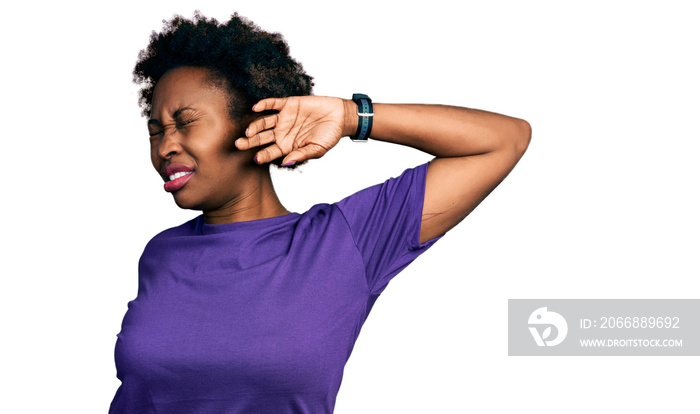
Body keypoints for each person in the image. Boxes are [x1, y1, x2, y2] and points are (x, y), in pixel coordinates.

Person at [110, 11, 531, 414]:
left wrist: (353, 117)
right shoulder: (160, 254)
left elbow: (503, 140)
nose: (164, 146)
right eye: (156, 130)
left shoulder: (342, 242)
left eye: (185, 122)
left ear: (256, 123)